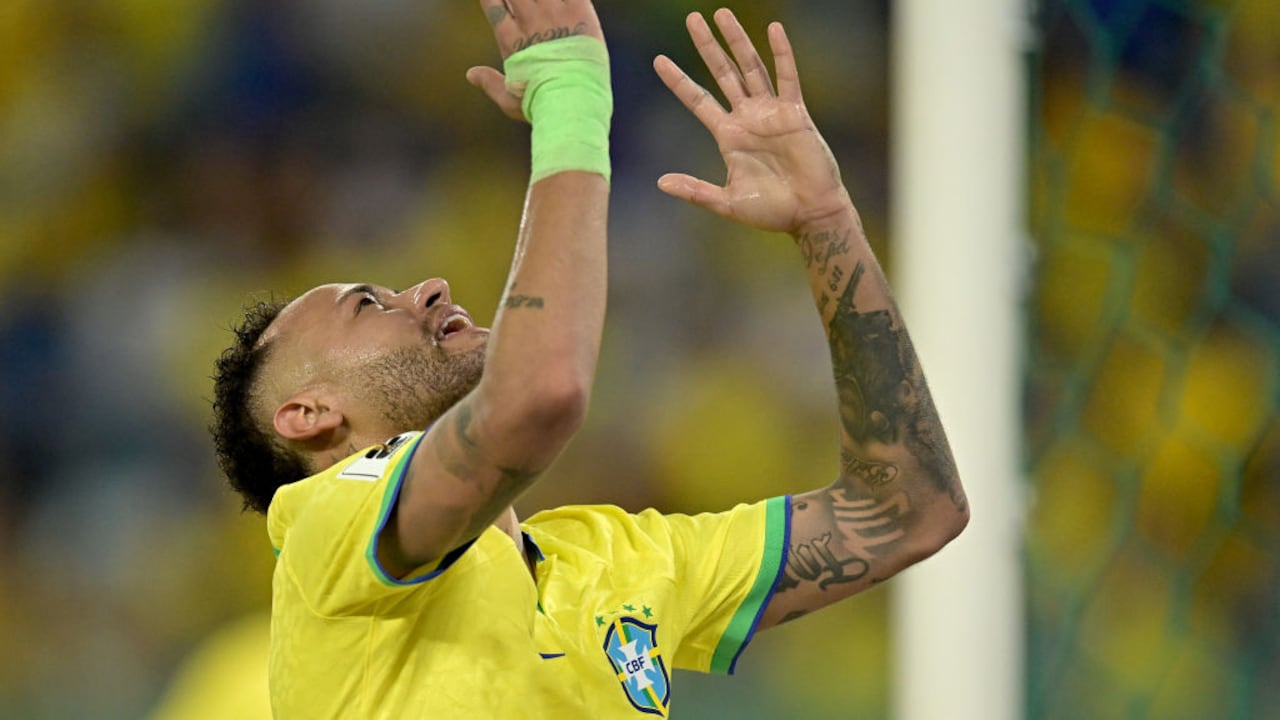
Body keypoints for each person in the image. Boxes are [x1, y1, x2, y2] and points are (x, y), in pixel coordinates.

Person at [209, 1, 968, 717]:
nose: (428, 288)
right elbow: (538, 398)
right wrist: (572, 96)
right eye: (368, 305)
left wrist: (827, 223)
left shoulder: (615, 561)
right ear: (308, 415)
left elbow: (905, 511)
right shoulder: (324, 529)